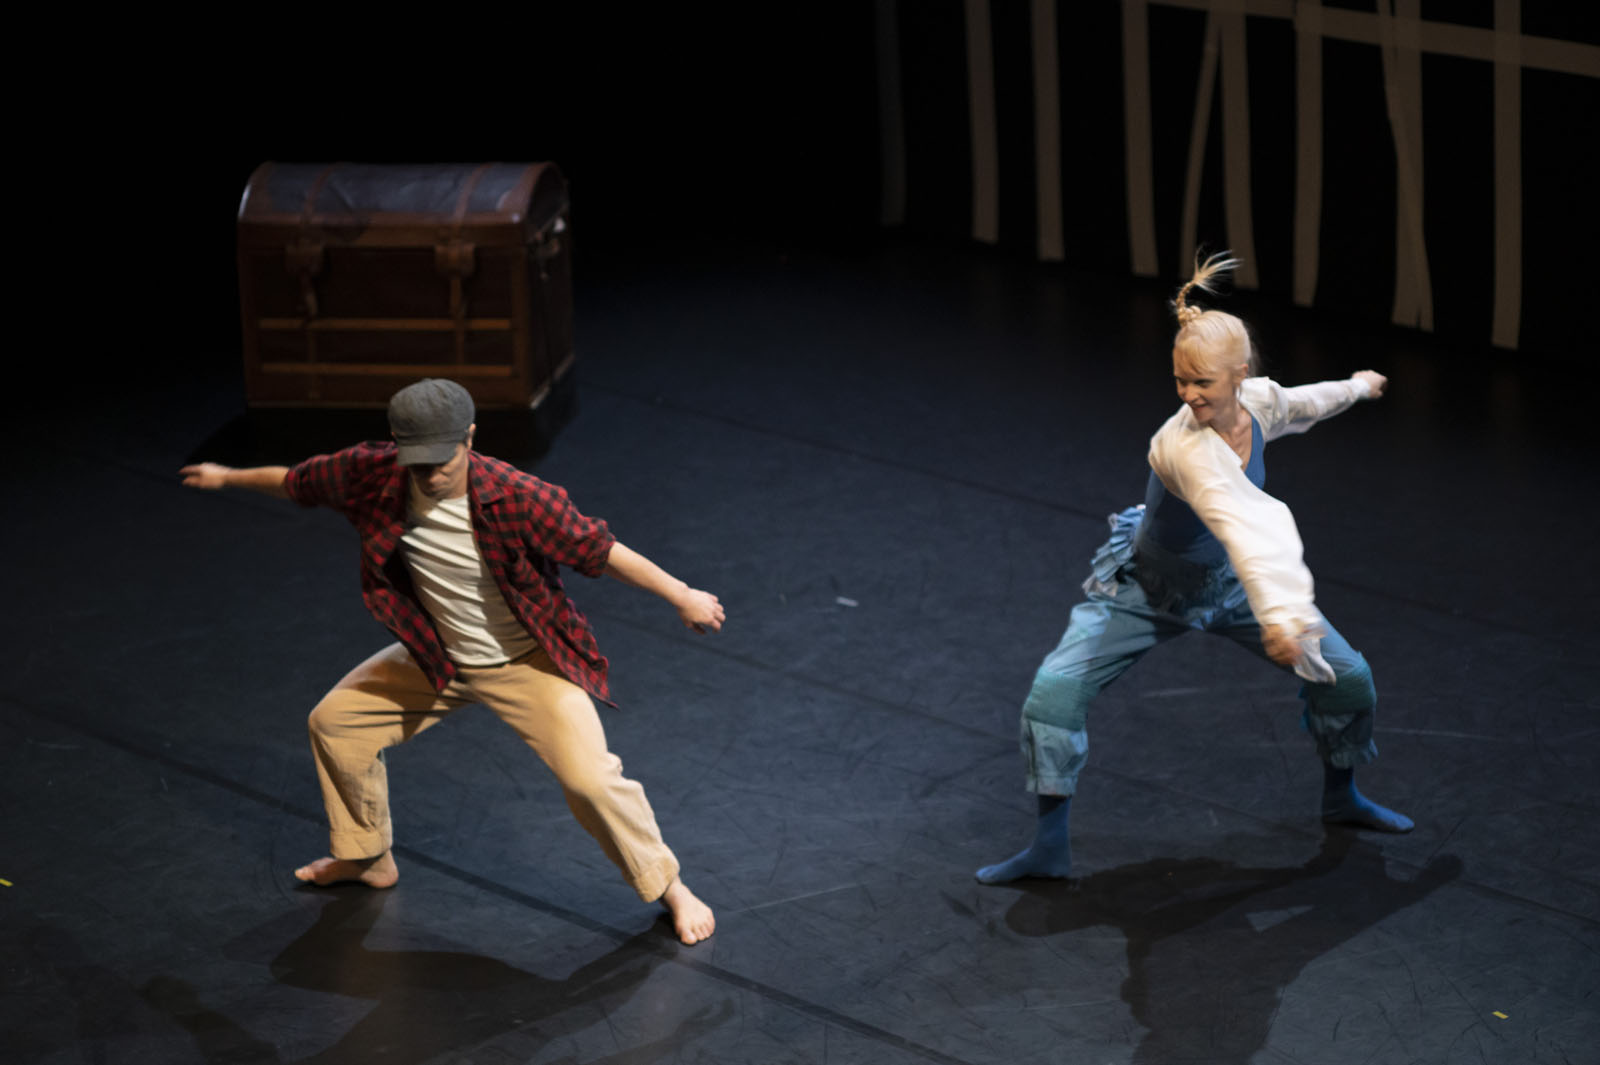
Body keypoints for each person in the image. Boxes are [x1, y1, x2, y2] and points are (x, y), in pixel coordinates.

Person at [181, 378, 724, 944]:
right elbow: (298, 482)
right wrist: (227, 477)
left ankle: (670, 887)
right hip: (438, 653)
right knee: (335, 723)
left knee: (590, 781)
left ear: (469, 438)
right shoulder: (372, 473)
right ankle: (367, 857)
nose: (431, 475)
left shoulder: (516, 496)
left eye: (443, 461)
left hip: (526, 662)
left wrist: (681, 594)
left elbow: (600, 550)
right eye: (418, 463)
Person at [976, 253, 1413, 886]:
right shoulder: (1182, 448)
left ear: (1241, 376)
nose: (1188, 395)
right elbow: (1246, 526)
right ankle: (1048, 848)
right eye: (1180, 381)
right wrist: (1282, 616)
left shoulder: (1258, 404)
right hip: (1150, 588)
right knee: (1053, 695)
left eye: (1202, 382)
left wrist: (1357, 386)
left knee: (1349, 680)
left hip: (1231, 587)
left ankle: (1341, 797)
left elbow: (1303, 403)